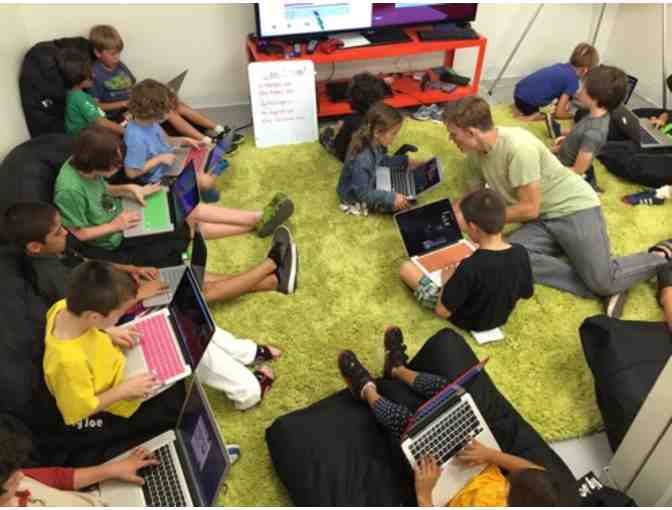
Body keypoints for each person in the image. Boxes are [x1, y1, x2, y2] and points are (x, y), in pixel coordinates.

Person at [443, 96, 670, 319]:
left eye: (453, 134)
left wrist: (479, 220)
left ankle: (661, 256)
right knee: (507, 259)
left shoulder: (518, 148)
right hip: (542, 219)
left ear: (471, 132)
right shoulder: (475, 154)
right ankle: (609, 286)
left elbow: (529, 209)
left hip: (574, 208)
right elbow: (474, 197)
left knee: (603, 280)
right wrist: (449, 217)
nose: (451, 139)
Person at [336, 327, 564, 507]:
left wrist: (424, 494)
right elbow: (532, 471)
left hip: (447, 488)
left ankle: (366, 390)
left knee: (407, 423)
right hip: (479, 461)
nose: (508, 486)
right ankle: (396, 369)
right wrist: (489, 454)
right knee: (448, 393)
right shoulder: (544, 499)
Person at [54, 126, 296, 271]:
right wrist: (115, 225)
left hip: (123, 213)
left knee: (181, 205)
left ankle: (257, 220)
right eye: (114, 164)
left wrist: (129, 189)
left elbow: (102, 189)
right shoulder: (69, 190)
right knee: (186, 220)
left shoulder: (83, 165)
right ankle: (256, 220)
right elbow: (77, 234)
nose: (118, 167)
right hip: (117, 237)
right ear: (95, 163)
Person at [2, 202, 298, 310]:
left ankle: (273, 282)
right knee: (199, 290)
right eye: (57, 232)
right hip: (122, 306)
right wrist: (139, 294)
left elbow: (90, 263)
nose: (66, 232)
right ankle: (272, 263)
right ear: (34, 247)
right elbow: (96, 314)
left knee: (189, 275)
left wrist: (130, 268)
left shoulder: (56, 250)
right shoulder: (52, 279)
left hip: (123, 283)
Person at [399, 189, 533, 331]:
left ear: (473, 228)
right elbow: (526, 292)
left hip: (466, 319)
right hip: (500, 318)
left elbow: (442, 311)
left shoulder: (469, 267)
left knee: (406, 268)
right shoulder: (521, 252)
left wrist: (446, 281)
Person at [89, 24, 230, 143]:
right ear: (98, 53)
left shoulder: (119, 66)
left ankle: (219, 129)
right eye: (113, 54)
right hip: (121, 116)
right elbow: (96, 106)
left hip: (135, 104)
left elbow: (133, 85)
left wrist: (151, 94)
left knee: (176, 104)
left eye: (118, 53)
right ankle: (206, 141)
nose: (117, 57)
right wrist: (122, 103)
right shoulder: (95, 74)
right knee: (168, 112)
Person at [0, 413, 160, 507]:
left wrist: (113, 470)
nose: (21, 476)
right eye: (12, 480)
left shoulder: (8, 470)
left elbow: (57, 478)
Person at [547, 65, 628, 192]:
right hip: (564, 157)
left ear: (595, 98)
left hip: (566, 171)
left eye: (583, 88)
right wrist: (551, 150)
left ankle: (589, 185)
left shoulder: (594, 133)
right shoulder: (595, 114)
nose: (579, 91)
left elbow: (578, 170)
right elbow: (579, 135)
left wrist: (549, 171)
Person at [337, 102, 425, 214]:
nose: (395, 137)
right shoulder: (362, 160)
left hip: (369, 181)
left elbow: (381, 161)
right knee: (402, 204)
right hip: (354, 197)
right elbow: (363, 194)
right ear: (377, 132)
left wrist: (405, 161)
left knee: (404, 183)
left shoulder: (375, 143)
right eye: (393, 134)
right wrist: (391, 197)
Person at [512, 42, 599, 122]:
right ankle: (531, 116)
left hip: (518, 93)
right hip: (527, 104)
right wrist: (571, 115)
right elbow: (559, 113)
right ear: (585, 70)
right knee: (551, 114)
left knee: (564, 96)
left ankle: (519, 108)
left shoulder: (561, 66)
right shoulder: (573, 82)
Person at [320, 72, 389, 162]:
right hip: (375, 157)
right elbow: (383, 145)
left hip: (352, 159)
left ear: (350, 99)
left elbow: (339, 147)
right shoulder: (384, 117)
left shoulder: (351, 121)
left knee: (325, 134)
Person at [59, 49, 124, 137]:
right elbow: (101, 122)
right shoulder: (78, 97)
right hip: (86, 139)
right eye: (89, 75)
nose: (93, 76)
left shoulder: (78, 93)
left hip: (98, 129)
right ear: (77, 78)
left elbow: (96, 107)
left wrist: (123, 104)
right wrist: (126, 132)